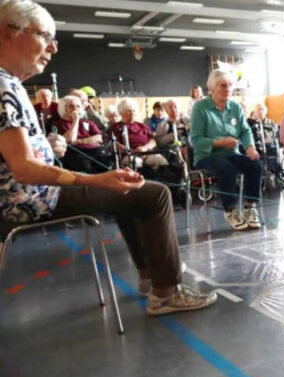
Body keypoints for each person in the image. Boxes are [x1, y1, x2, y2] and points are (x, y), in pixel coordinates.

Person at [0, 0, 216, 315]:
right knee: (155, 196)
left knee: (127, 188)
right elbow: (23, 169)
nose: (54, 47)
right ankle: (166, 292)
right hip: (32, 201)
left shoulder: (10, 85)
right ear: (9, 33)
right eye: (45, 35)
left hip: (28, 196)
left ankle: (150, 279)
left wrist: (47, 144)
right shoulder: (4, 88)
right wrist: (98, 178)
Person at [190, 69, 262, 231]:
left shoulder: (235, 107)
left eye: (230, 86)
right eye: (223, 85)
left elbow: (245, 131)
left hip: (232, 153)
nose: (228, 89)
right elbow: (196, 140)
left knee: (255, 165)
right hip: (206, 156)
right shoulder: (200, 108)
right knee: (226, 167)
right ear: (212, 88)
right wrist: (220, 142)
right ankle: (230, 210)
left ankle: (250, 207)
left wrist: (250, 147)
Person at [51, 95, 110, 173]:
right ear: (64, 109)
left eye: (78, 106)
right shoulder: (59, 124)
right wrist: (75, 120)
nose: (75, 108)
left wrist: (79, 141)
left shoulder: (88, 122)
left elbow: (99, 138)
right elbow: (70, 140)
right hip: (76, 154)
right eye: (71, 106)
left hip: (95, 151)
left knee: (106, 161)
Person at [109, 98, 168, 169]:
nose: (132, 113)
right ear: (121, 112)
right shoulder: (116, 127)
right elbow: (113, 143)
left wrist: (144, 148)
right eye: (129, 111)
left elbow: (153, 141)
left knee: (161, 160)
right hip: (129, 155)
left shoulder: (142, 126)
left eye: (133, 111)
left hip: (146, 153)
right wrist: (128, 150)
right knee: (136, 162)